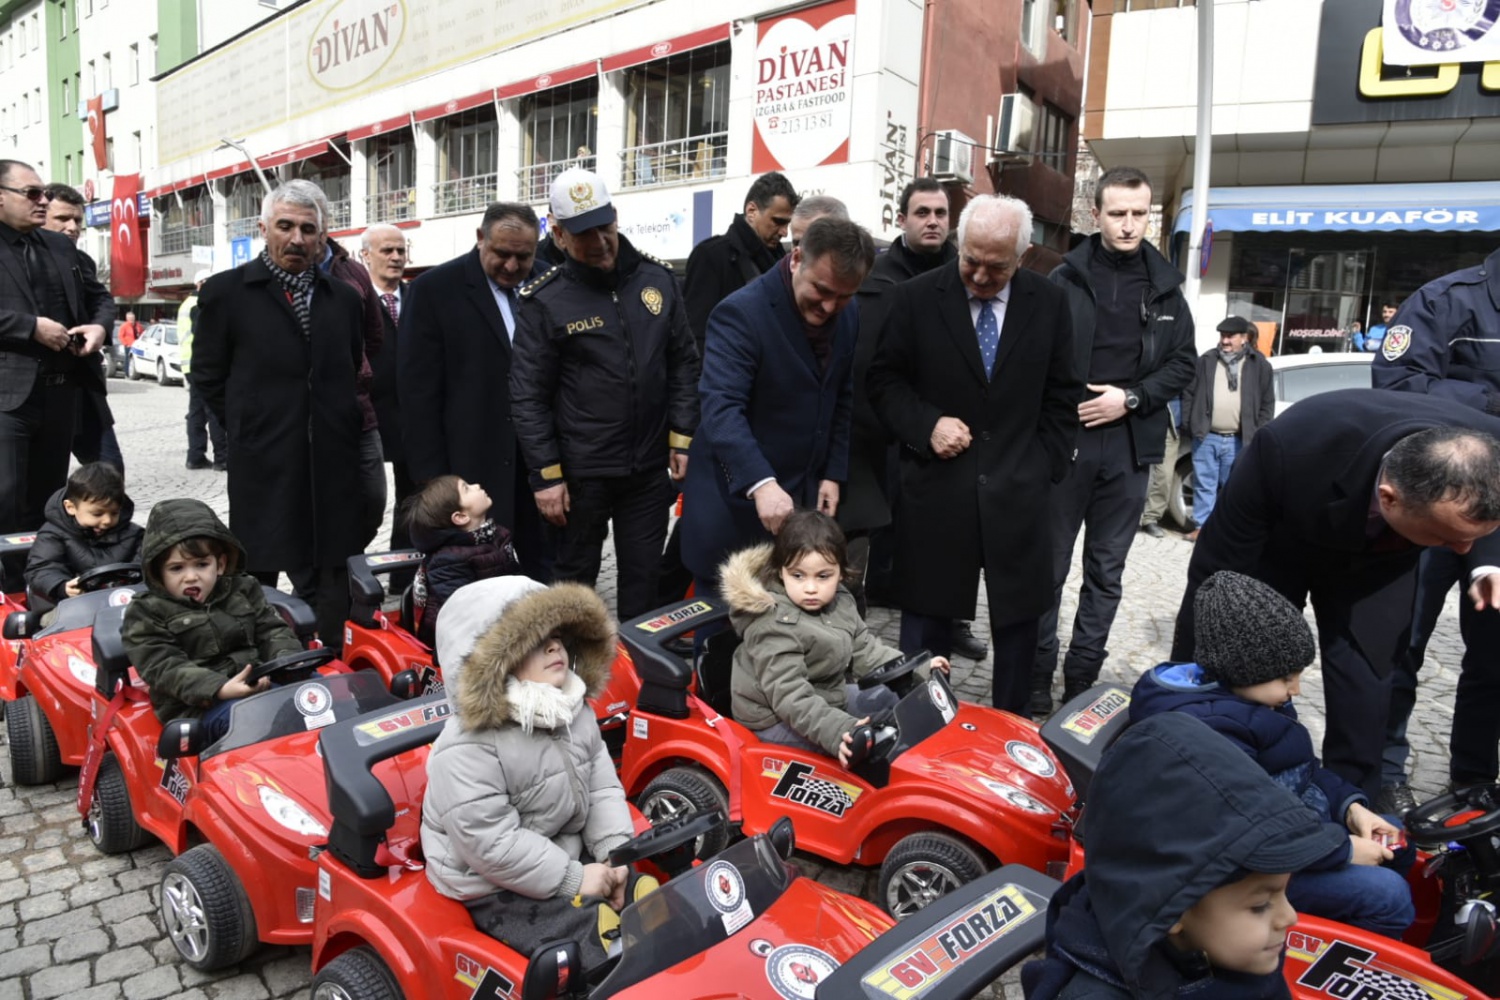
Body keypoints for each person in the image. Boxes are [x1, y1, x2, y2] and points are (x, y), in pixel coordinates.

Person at [1169, 389, 1500, 797]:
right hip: (1282, 541)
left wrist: (1487, 561)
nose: (1460, 551)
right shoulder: (1289, 446)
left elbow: (1485, 511)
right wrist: (1183, 683)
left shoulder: (1490, 444)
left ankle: (1354, 799)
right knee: (1257, 661)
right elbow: (1216, 569)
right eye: (1446, 537)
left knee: (1368, 675)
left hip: (1380, 563)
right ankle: (1239, 779)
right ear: (1390, 499)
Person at [868, 194, 1080, 715]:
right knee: (926, 627)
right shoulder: (915, 298)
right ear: (960, 245)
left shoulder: (1049, 304)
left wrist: (1043, 465)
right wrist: (927, 425)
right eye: (971, 261)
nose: (981, 277)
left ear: (1023, 255)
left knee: (1017, 626)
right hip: (937, 491)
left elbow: (1062, 393)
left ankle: (1009, 727)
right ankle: (924, 728)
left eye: (997, 266)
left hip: (1019, 490)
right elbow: (883, 381)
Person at [1133, 571, 1414, 938]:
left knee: (1398, 838)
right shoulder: (1209, 731)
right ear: (1242, 668)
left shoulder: (1254, 698)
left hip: (1299, 837)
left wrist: (1352, 808)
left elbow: (1302, 770)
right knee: (1387, 896)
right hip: (1242, 873)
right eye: (1286, 678)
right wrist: (1342, 850)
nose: (1296, 689)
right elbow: (1247, 834)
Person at [1021, 712, 1350, 1000]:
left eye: (1284, 893)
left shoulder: (1233, 951)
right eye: (1260, 905)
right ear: (1169, 909)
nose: (1289, 917)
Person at [1032, 166, 1196, 717]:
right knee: (1048, 569)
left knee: (1106, 575)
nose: (1129, 225)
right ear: (1095, 214)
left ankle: (1079, 683)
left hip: (1129, 447)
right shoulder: (1065, 279)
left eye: (1138, 214)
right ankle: (1034, 681)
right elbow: (1036, 361)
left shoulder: (1167, 286)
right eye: (1118, 213)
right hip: (1067, 447)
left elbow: (1182, 366)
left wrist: (1129, 398)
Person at [421, 576, 644, 967]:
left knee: (642, 880)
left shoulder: (571, 707)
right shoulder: (465, 748)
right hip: (487, 878)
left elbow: (601, 787)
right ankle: (607, 960)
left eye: (556, 636)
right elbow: (492, 844)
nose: (555, 646)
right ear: (496, 663)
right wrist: (574, 879)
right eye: (536, 641)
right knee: (572, 933)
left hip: (562, 845)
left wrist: (614, 852)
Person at [511, 168, 699, 621]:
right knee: (573, 585)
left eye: (603, 225)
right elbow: (527, 395)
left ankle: (641, 678)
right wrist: (546, 476)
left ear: (615, 214)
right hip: (580, 476)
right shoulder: (545, 300)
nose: (598, 241)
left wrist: (682, 437)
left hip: (648, 472)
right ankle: (569, 677)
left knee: (644, 582)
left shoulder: (658, 281)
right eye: (582, 233)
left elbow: (684, 364)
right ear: (557, 232)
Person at [192, 180, 366, 653]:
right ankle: (258, 660)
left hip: (330, 462)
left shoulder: (344, 299)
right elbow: (207, 375)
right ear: (263, 228)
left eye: (309, 229)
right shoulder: (228, 293)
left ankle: (331, 658)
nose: (297, 239)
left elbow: (349, 369)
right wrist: (248, 427)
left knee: (331, 574)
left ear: (323, 236)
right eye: (285, 226)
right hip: (263, 462)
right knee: (257, 569)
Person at [679, 216, 874, 602]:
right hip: (733, 509)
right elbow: (721, 409)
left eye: (844, 296)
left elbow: (841, 394)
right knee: (723, 644)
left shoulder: (847, 314)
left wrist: (832, 473)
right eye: (821, 290)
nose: (830, 306)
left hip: (800, 503)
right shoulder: (741, 313)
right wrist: (761, 483)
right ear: (797, 257)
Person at [1371, 246, 1500, 814]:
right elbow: (1395, 382)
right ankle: (1382, 773)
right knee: (1400, 645)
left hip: (1499, 513)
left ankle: (1472, 783)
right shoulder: (1448, 299)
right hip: (1430, 506)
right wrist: (1490, 402)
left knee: (1493, 657)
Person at [848, 177, 983, 654]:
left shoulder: (969, 274)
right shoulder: (877, 277)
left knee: (950, 540)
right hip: (886, 427)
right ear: (901, 219)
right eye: (922, 212)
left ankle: (953, 624)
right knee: (886, 532)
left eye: (940, 214)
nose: (932, 221)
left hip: (948, 431)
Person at [722, 510, 950, 762]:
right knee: (866, 747)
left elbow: (866, 650)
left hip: (825, 695)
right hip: (774, 717)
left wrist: (917, 670)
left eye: (823, 576)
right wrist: (840, 730)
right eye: (798, 575)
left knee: (896, 699)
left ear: (840, 572)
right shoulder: (773, 623)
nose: (810, 588)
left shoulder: (839, 601)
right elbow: (790, 696)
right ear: (780, 572)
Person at [400, 203, 552, 577]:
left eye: (524, 256)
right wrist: (433, 475)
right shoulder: (434, 290)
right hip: (470, 461)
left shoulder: (551, 284)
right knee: (478, 570)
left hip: (540, 462)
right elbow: (417, 387)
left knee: (539, 566)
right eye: (502, 254)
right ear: (480, 239)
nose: (513, 267)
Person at [0, 160, 114, 592]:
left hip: (63, 394)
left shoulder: (60, 247)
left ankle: (41, 587)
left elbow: (100, 297)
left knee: (50, 503)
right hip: (8, 398)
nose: (43, 201)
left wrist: (100, 327)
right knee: (6, 502)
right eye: (32, 194)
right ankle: (8, 595)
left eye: (43, 192)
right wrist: (30, 327)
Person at [120, 498, 304, 737]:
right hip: (197, 706)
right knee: (254, 723)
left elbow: (271, 630)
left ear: (220, 564)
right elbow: (164, 666)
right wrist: (218, 688)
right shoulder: (146, 611)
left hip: (260, 679)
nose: (191, 577)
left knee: (319, 697)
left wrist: (286, 660)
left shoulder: (243, 588)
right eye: (177, 568)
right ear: (158, 572)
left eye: (201, 564)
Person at [41, 181, 125, 473]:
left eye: (77, 219)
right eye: (62, 219)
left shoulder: (82, 260)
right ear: (40, 215)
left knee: (109, 474)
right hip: (35, 391)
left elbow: (102, 299)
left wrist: (100, 328)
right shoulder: (16, 259)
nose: (72, 227)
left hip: (82, 387)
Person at [320, 226, 386, 549]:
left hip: (359, 409)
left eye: (310, 226)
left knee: (373, 499)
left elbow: (373, 334)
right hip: (305, 413)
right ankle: (328, 579)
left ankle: (349, 558)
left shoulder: (352, 271)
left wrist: (354, 369)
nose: (301, 236)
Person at [683, 171, 799, 354]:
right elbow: (696, 335)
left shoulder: (782, 262)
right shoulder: (710, 256)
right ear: (751, 211)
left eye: (787, 224)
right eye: (778, 222)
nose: (785, 232)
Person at [1181, 316, 1274, 539]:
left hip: (1239, 438)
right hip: (1206, 435)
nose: (1225, 341)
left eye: (1230, 336)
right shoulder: (1206, 360)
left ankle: (1226, 530)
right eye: (1222, 336)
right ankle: (1202, 527)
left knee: (1233, 486)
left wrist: (1259, 430)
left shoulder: (1258, 364)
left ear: (1244, 338)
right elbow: (1188, 393)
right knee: (1204, 484)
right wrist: (1188, 422)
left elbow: (1267, 403)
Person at [404, 474, 521, 650]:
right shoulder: (447, 561)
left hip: (502, 622)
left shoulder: (498, 536)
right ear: (460, 517)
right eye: (467, 488)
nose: (477, 485)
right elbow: (466, 611)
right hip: (462, 641)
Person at [361, 223, 416, 569]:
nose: (396, 257)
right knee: (367, 500)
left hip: (412, 418)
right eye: (387, 251)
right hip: (368, 418)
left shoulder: (418, 298)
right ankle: (352, 572)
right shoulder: (353, 298)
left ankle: (404, 573)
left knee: (413, 501)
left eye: (400, 250)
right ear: (365, 255)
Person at [24, 461, 143, 607]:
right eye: (97, 513)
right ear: (70, 507)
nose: (107, 520)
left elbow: (146, 564)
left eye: (114, 513)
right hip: (70, 606)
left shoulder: (134, 534)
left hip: (124, 603)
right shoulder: (53, 534)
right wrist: (61, 586)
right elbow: (42, 568)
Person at [179, 269, 228, 472]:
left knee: (196, 413)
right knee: (213, 412)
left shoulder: (186, 303)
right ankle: (222, 458)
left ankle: (195, 456)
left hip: (189, 365)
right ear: (200, 283)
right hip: (203, 366)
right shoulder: (200, 304)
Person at [1137, 398, 1186, 539]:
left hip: (1171, 422)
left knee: (1164, 475)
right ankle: (1126, 514)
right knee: (1133, 469)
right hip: (1142, 415)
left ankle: (1150, 518)